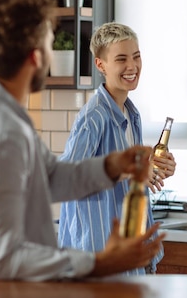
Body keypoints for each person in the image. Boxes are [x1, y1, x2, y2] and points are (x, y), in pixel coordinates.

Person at [0, 0, 165, 281]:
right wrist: (97, 263)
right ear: (35, 56)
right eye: (50, 45)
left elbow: (48, 176)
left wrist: (111, 166)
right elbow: (2, 260)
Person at [58, 22, 176, 275]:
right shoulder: (94, 118)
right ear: (101, 65)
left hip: (129, 250)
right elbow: (70, 177)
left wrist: (154, 168)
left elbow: (126, 176)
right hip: (100, 256)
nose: (132, 66)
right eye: (121, 59)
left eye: (136, 56)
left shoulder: (131, 114)